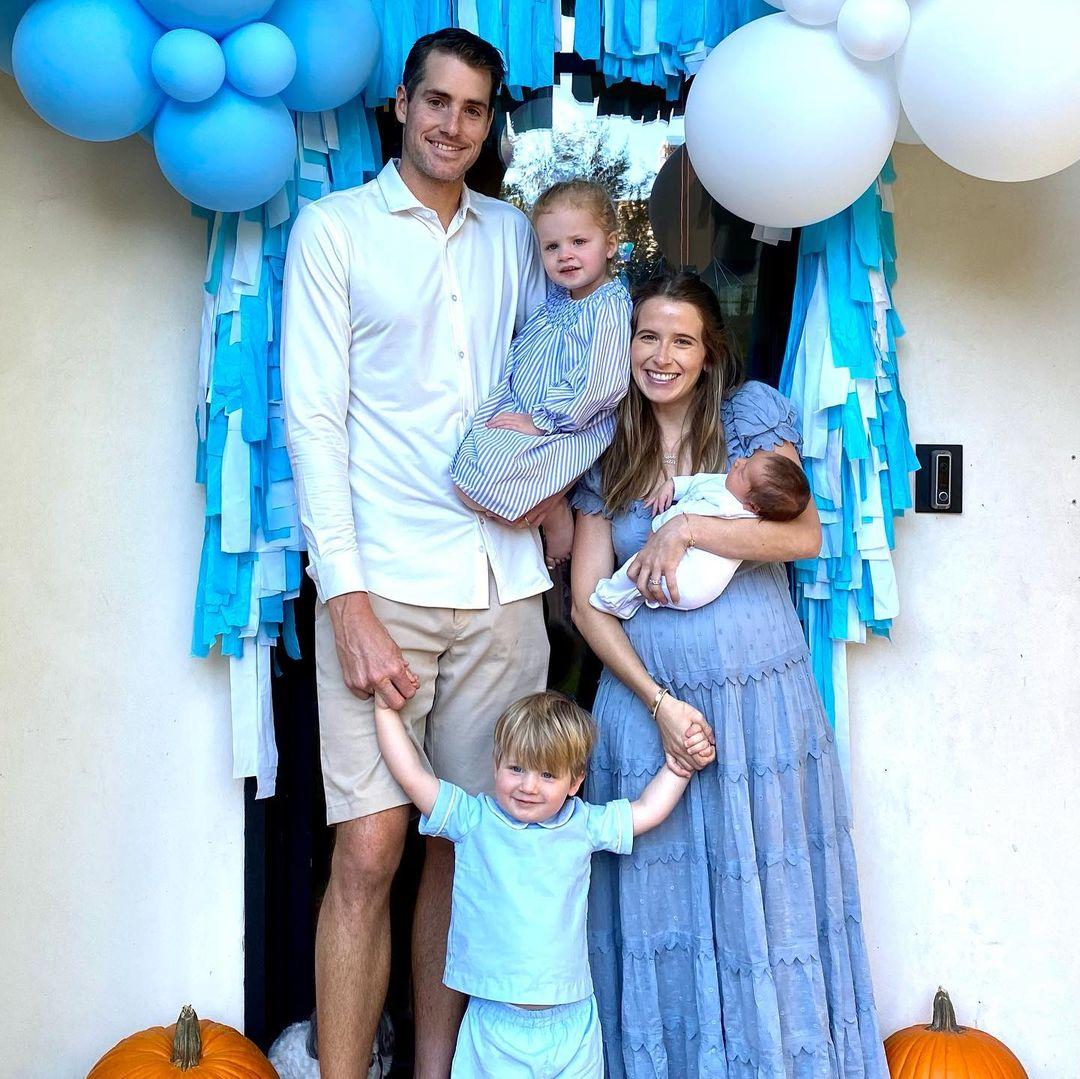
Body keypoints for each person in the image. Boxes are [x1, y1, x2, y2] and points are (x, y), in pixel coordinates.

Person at [281, 28, 563, 1079]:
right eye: (436, 102)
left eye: (474, 109)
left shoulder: (513, 236)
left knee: (465, 845)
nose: (453, 124)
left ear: (491, 124)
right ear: (401, 104)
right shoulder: (335, 230)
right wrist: (344, 600)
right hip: (383, 587)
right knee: (369, 847)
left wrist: (560, 501)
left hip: (502, 586)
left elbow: (553, 391)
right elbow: (315, 421)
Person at [570, 273, 889, 1078]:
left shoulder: (750, 416)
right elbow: (586, 602)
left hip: (759, 702)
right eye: (648, 336)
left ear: (709, 353)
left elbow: (803, 536)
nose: (662, 355)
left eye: (682, 340)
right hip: (648, 711)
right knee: (663, 900)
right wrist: (659, 703)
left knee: (764, 902)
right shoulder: (607, 445)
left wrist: (688, 527)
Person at [372, 690, 714, 1077]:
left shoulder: (583, 824)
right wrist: (385, 712)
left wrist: (678, 769)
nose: (529, 786)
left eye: (547, 774)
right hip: (494, 1022)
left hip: (572, 1023)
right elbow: (414, 779)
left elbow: (647, 810)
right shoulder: (474, 820)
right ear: (496, 763)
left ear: (575, 781)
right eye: (516, 768)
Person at [450, 180, 632, 567]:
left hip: (570, 424)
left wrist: (542, 420)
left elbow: (603, 384)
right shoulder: (558, 298)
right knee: (467, 469)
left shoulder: (608, 306)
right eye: (552, 247)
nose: (565, 255)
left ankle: (556, 515)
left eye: (579, 242)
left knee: (482, 479)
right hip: (531, 412)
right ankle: (547, 514)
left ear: (610, 244)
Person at [590, 453, 811, 618]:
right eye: (747, 460)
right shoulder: (728, 487)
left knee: (640, 565)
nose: (738, 462)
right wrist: (673, 486)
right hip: (690, 581)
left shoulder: (731, 509)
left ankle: (610, 599)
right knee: (649, 571)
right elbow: (699, 482)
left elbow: (684, 516)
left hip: (693, 582)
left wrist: (659, 528)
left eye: (743, 472)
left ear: (752, 506)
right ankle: (631, 599)